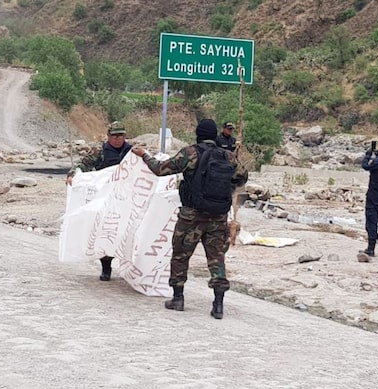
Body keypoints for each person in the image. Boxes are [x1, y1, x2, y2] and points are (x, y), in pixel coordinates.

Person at [131, 118, 248, 319]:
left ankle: (178, 299)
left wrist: (144, 155)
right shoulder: (228, 156)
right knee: (216, 259)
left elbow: (160, 169)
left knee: (180, 256)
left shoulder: (190, 153)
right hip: (218, 217)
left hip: (191, 216)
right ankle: (218, 305)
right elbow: (242, 177)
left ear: (198, 134)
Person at [65, 121, 132, 281]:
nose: (118, 139)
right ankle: (106, 267)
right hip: (106, 199)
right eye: (115, 136)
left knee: (128, 233)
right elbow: (83, 165)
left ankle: (130, 269)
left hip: (127, 198)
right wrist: (73, 174)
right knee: (107, 232)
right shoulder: (100, 152)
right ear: (108, 136)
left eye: (121, 135)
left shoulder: (132, 152)